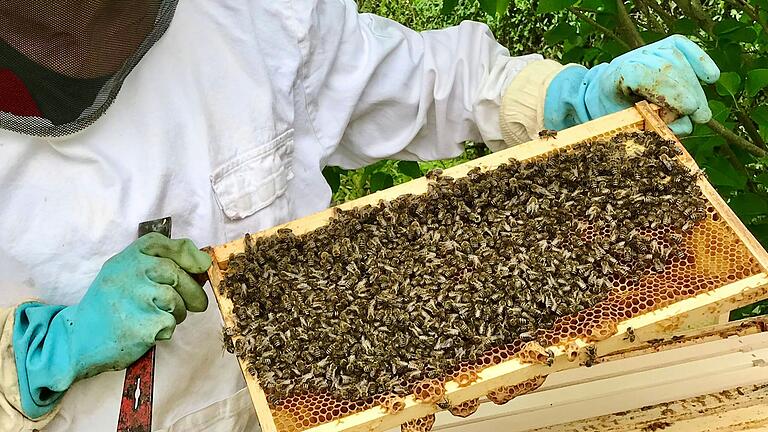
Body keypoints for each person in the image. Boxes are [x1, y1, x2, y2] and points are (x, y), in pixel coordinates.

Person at [0, 1, 719, 430]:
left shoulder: (251, 17)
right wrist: (37, 352)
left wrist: (563, 95)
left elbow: (412, 79)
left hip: (315, 403)